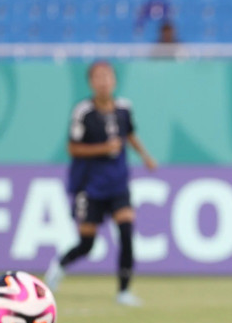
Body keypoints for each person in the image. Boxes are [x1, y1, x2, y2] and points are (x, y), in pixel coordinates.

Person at [45, 61, 157, 306]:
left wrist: (146, 156)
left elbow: (129, 135)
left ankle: (124, 291)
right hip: (90, 186)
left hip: (118, 184)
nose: (104, 81)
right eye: (98, 77)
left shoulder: (124, 108)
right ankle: (59, 265)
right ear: (91, 82)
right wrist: (103, 148)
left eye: (108, 76)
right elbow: (72, 147)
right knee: (87, 243)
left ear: (114, 81)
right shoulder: (83, 112)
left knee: (126, 232)